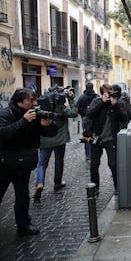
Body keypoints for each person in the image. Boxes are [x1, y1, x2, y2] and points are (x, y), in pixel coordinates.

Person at [0, 88, 57, 235]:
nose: (34, 103)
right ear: (19, 102)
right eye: (30, 100)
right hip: (5, 163)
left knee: (23, 196)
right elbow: (4, 134)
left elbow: (51, 133)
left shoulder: (34, 114)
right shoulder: (5, 114)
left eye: (35, 100)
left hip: (23, 163)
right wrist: (24, 121)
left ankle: (23, 224)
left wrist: (48, 125)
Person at [33, 87, 78, 200]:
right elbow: (73, 113)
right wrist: (71, 99)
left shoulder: (41, 109)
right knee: (59, 160)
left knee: (42, 163)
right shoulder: (60, 107)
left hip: (44, 140)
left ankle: (40, 183)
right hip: (59, 140)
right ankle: (57, 182)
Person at [85, 83, 129, 195]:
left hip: (111, 138)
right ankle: (95, 187)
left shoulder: (116, 103)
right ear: (102, 93)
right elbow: (89, 114)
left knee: (113, 164)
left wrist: (115, 106)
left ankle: (117, 186)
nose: (109, 94)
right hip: (97, 138)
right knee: (94, 164)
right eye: (107, 92)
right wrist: (102, 102)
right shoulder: (97, 101)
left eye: (111, 92)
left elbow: (124, 118)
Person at [76, 82, 98, 161]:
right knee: (94, 135)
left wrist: (82, 114)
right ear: (92, 87)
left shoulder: (82, 97)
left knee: (86, 135)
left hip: (85, 118)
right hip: (95, 118)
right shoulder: (96, 97)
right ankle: (94, 153)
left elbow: (77, 107)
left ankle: (88, 154)